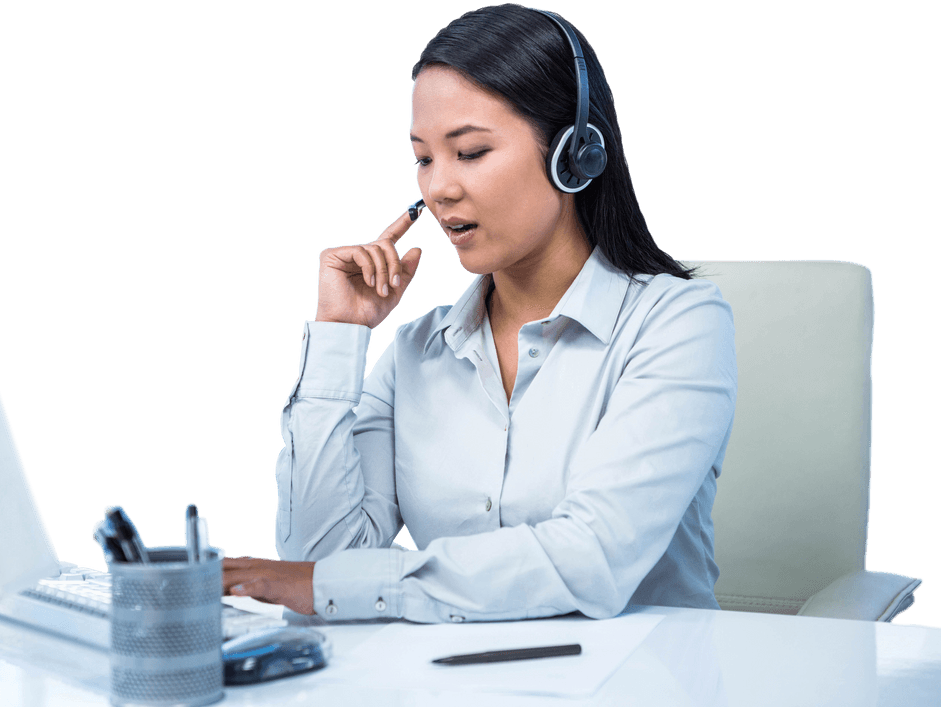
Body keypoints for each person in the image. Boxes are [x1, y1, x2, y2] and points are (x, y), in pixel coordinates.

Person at [223, 3, 737, 622]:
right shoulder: (417, 351)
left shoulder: (678, 323)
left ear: (574, 155)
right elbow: (323, 564)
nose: (439, 188)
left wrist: (344, 586)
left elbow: (593, 558)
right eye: (423, 158)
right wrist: (339, 337)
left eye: (468, 152)